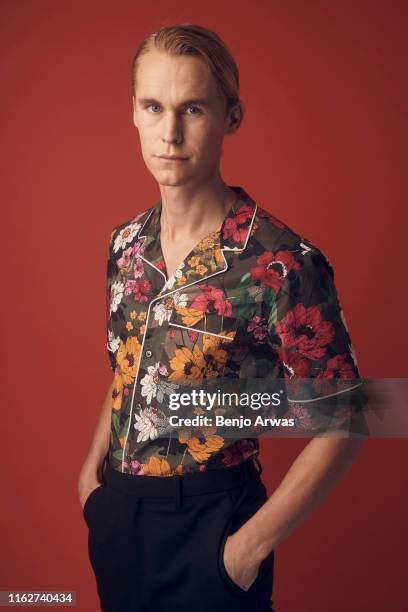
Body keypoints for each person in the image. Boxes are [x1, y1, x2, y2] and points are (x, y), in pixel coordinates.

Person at [78, 23, 366, 612]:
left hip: (214, 531)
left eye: (193, 109)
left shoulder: (281, 261)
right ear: (133, 111)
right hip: (120, 520)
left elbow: (347, 416)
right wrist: (91, 487)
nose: (170, 133)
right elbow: (128, 369)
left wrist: (245, 550)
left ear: (230, 117)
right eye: (154, 107)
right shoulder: (126, 244)